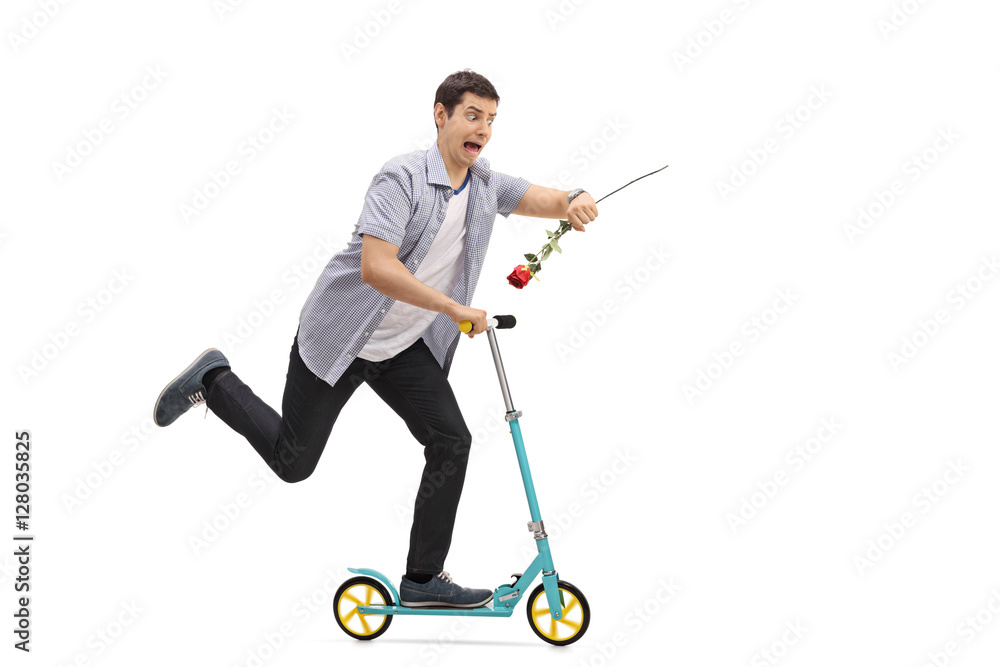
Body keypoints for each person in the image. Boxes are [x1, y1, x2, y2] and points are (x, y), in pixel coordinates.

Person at [153, 69, 598, 608]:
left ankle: (423, 579)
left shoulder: (483, 184)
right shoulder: (402, 177)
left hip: (402, 347)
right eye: (472, 115)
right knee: (293, 463)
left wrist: (574, 198)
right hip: (342, 336)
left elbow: (540, 198)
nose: (483, 129)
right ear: (441, 115)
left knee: (451, 440)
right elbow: (376, 268)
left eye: (491, 119)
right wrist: (452, 307)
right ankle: (215, 380)